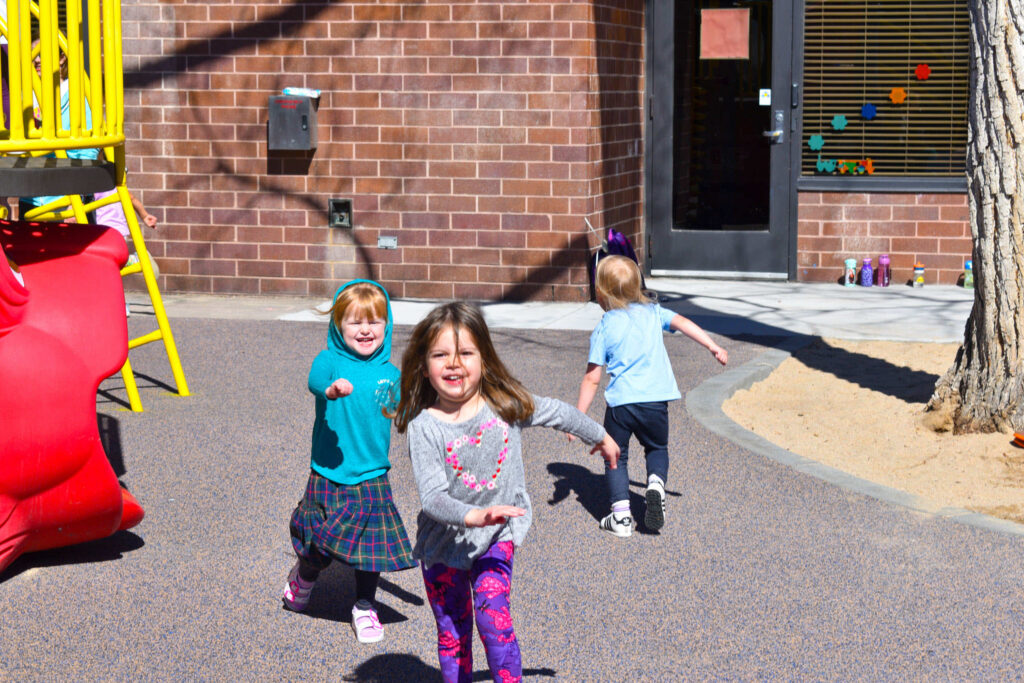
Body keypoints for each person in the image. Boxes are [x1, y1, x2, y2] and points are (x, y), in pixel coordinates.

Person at [392, 301, 620, 683]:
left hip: (497, 536)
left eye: (465, 353)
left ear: (484, 358)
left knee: (493, 620)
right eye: (440, 355)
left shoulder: (504, 407)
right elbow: (432, 497)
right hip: (444, 543)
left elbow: (556, 412)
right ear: (423, 365)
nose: (454, 364)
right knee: (453, 633)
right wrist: (474, 514)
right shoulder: (424, 427)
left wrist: (600, 436)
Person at [283, 279, 415, 644]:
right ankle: (306, 574)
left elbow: (403, 407)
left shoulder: (390, 373)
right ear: (339, 326)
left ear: (386, 325)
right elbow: (314, 382)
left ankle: (364, 604)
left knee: (370, 546)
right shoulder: (329, 360)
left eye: (374, 321)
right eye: (355, 322)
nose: (365, 330)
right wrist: (330, 389)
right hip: (328, 469)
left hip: (372, 471)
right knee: (318, 542)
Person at [573, 255, 728, 538]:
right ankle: (656, 484)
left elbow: (592, 377)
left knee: (615, 457)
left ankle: (620, 517)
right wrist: (713, 346)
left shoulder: (605, 325)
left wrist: (578, 417)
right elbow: (682, 322)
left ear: (601, 292)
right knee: (657, 448)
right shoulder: (654, 312)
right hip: (656, 402)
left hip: (621, 405)